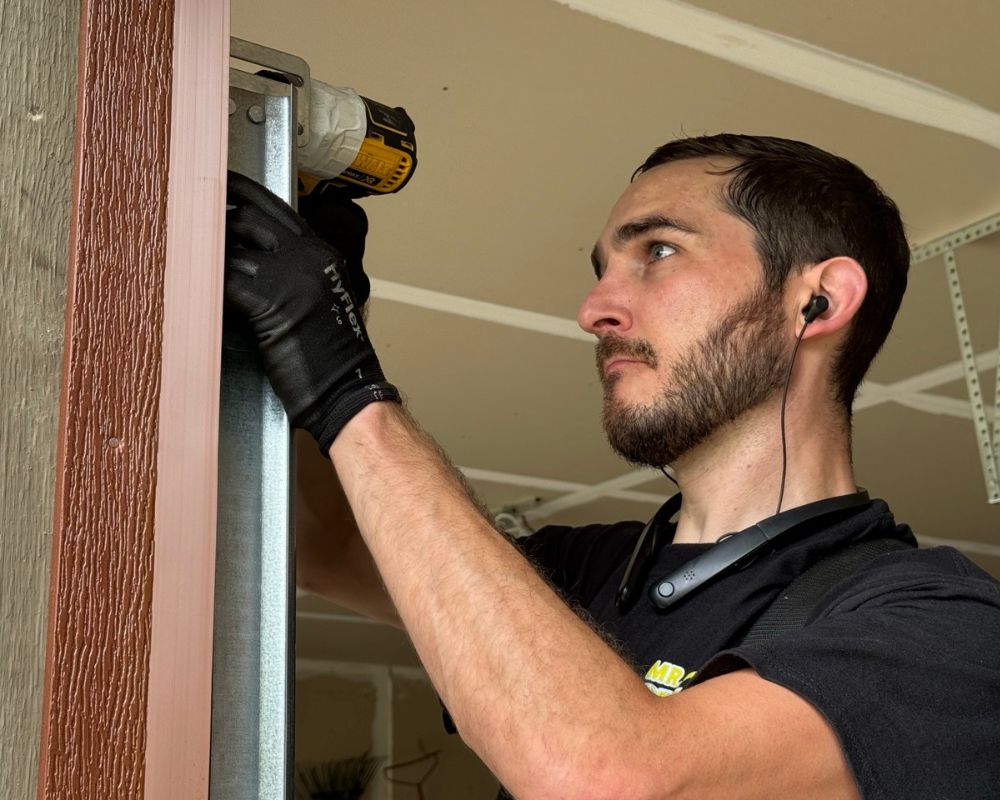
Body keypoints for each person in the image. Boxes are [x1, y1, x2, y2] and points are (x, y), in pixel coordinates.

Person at [225, 134, 1000, 800]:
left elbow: (604, 776)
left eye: (657, 251)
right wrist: (286, 357)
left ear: (820, 301)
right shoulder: (588, 573)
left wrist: (346, 388)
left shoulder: (941, 630)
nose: (594, 309)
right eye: (603, 267)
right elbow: (323, 545)